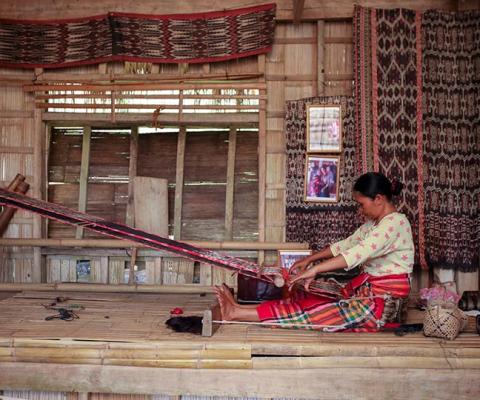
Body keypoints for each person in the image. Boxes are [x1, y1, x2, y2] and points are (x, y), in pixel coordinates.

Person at [214, 172, 414, 332]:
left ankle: (235, 314)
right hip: (366, 296)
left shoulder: (395, 223)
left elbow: (355, 254)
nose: (360, 211)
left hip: (381, 307)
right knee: (307, 296)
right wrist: (310, 260)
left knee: (318, 311)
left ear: (378, 199)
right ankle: (239, 309)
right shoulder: (374, 224)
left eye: (361, 204)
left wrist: (314, 270)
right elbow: (344, 246)